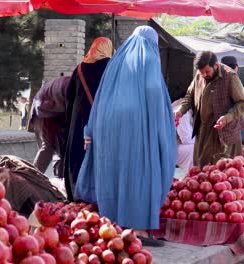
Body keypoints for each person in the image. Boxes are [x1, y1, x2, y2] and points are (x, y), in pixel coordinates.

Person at [75, 26, 176, 238]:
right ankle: (137, 228)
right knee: (140, 173)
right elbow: (153, 90)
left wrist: (90, 130)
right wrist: (161, 130)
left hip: (107, 127)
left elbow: (100, 97)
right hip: (137, 127)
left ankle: (112, 223)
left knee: (113, 171)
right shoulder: (149, 59)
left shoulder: (116, 62)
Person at [174, 51, 244, 167]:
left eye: (207, 72)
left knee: (226, 171)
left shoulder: (230, 76)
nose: (204, 75)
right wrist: (180, 110)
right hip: (203, 130)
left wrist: (227, 118)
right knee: (202, 169)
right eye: (202, 72)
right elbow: (189, 96)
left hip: (226, 132)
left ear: (216, 65)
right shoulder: (199, 75)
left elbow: (241, 104)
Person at [63, 37, 113, 201]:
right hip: (101, 120)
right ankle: (96, 196)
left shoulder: (79, 69)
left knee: (77, 154)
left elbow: (69, 98)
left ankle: (75, 194)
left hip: (78, 121)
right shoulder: (111, 68)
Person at [29, 76, 71, 175]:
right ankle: (32, 178)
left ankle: (60, 179)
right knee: (48, 146)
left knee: (62, 147)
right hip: (44, 108)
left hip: (56, 110)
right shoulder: (78, 87)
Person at [221, 56, 244, 143]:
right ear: (236, 68)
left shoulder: (215, 82)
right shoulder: (236, 82)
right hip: (232, 131)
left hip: (216, 130)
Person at [172, 99, 195, 174]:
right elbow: (187, 138)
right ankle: (192, 177)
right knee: (194, 150)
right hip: (167, 149)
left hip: (174, 144)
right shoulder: (180, 108)